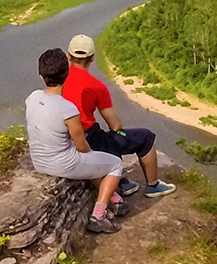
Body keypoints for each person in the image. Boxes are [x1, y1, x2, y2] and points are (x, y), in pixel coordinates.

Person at [25, 48, 127, 233]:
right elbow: (81, 146)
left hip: (38, 161)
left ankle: (116, 199)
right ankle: (99, 216)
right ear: (67, 74)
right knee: (114, 164)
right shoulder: (68, 109)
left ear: (41, 76)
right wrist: (92, 155)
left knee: (93, 163)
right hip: (62, 163)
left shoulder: (32, 98)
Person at [64, 33, 175, 198]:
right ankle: (153, 186)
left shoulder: (58, 78)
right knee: (143, 137)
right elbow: (114, 125)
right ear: (93, 58)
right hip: (89, 137)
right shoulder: (97, 86)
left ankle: (123, 182)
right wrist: (119, 127)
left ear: (68, 56)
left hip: (66, 137)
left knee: (104, 139)